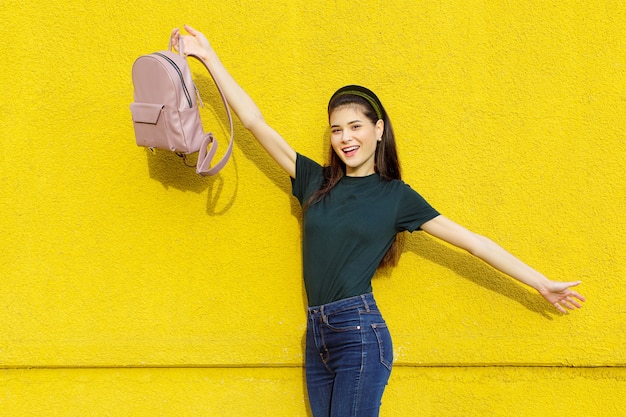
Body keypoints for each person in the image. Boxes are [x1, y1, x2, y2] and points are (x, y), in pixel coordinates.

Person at [172, 25, 586, 417]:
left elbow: (473, 242)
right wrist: (209, 58)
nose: (346, 138)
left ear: (378, 130)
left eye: (355, 126)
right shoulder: (315, 181)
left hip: (359, 336)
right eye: (337, 130)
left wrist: (539, 282)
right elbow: (254, 122)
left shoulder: (395, 197)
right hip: (316, 338)